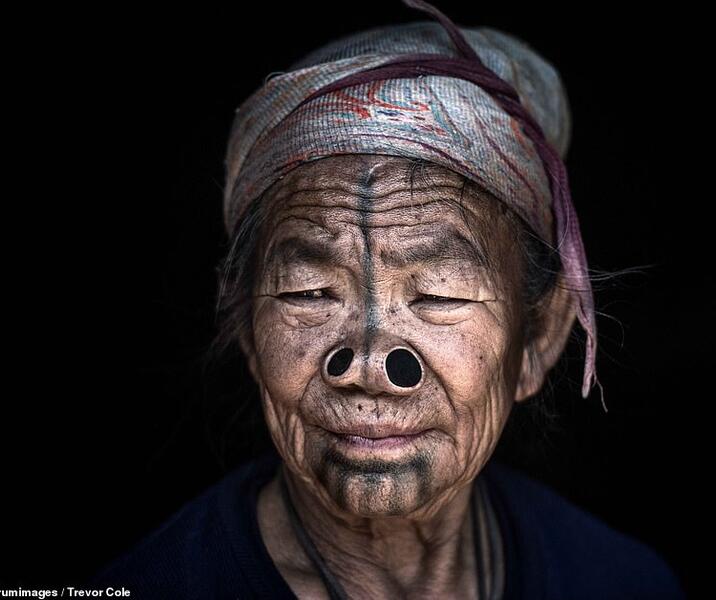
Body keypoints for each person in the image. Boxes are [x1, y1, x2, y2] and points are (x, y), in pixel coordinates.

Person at [88, 1, 685, 598]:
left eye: (436, 293)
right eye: (311, 292)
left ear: (536, 338)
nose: (371, 366)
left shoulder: (622, 584)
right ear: (246, 324)